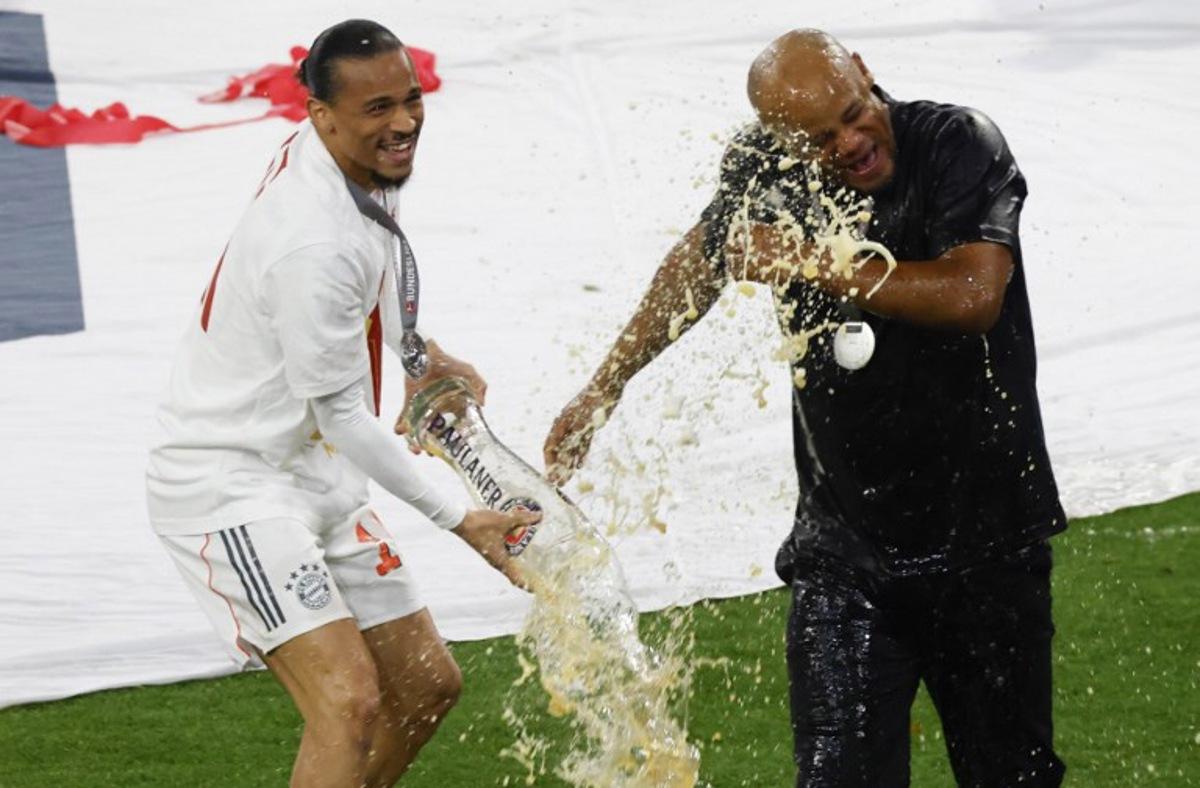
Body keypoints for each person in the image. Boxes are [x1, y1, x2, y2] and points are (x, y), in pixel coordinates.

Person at [544, 29, 1066, 787]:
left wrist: (810, 259)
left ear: (864, 72)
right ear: (779, 139)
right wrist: (607, 383)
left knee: (1009, 777)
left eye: (855, 114)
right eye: (820, 140)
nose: (851, 143)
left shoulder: (956, 142)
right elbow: (701, 258)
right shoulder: (764, 169)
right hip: (845, 554)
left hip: (986, 545)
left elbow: (972, 295)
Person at [146, 20, 537, 788]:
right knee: (348, 701)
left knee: (427, 687)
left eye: (412, 99)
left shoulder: (340, 169)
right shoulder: (311, 241)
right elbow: (343, 417)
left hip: (313, 474)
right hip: (229, 485)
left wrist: (418, 353)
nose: (403, 124)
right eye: (377, 109)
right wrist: (460, 520)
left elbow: (376, 255)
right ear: (322, 114)